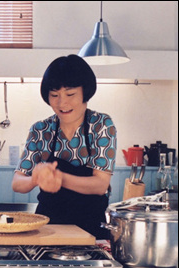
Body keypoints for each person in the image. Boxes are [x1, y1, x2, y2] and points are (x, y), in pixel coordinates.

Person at [12, 55, 116, 239]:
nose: (62, 103)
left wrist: (58, 178)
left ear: (85, 92)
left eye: (70, 94)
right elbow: (17, 183)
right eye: (54, 95)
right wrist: (36, 178)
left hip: (90, 231)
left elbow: (100, 184)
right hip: (48, 231)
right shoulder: (40, 130)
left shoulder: (101, 125)